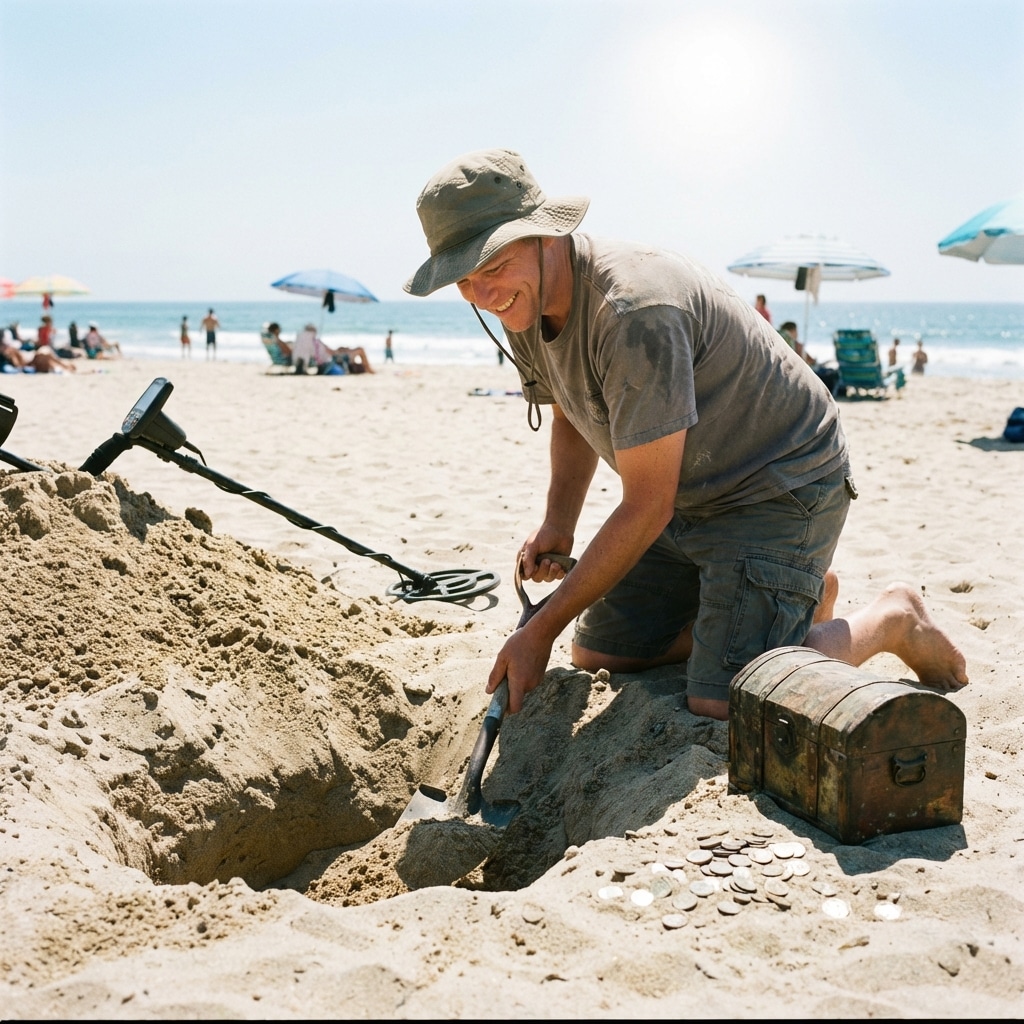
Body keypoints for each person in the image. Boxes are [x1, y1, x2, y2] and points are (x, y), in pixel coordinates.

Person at [404, 148, 968, 721]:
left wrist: (540, 628)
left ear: (545, 236)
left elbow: (647, 504)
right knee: (600, 652)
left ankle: (892, 618)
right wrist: (558, 523)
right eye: (464, 280)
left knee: (727, 697)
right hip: (690, 490)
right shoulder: (525, 306)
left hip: (778, 484)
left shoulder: (632, 310)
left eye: (493, 268)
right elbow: (572, 409)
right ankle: (782, 604)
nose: (483, 294)